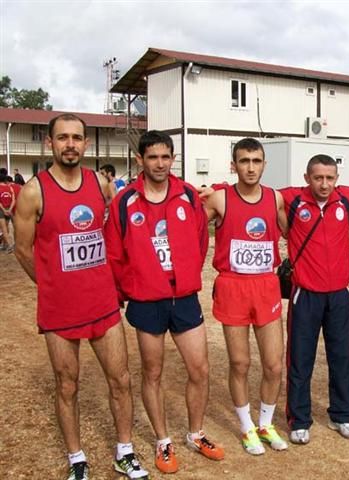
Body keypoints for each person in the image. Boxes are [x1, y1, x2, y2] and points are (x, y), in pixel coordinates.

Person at [13, 113, 149, 480]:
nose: (70, 144)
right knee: (67, 385)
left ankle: (124, 451)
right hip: (60, 309)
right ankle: (77, 459)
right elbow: (22, 249)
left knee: (120, 378)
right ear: (50, 143)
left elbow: (122, 222)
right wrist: (51, 286)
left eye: (76, 137)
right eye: (63, 138)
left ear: (86, 144)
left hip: (102, 302)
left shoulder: (100, 183)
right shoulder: (33, 191)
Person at [104, 131, 223, 474]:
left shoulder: (187, 195)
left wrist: (184, 275)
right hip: (146, 301)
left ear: (173, 158)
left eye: (165, 157)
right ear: (140, 160)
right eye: (152, 157)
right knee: (152, 372)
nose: (160, 163)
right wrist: (131, 288)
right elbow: (115, 254)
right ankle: (162, 440)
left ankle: (196, 433)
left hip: (183, 297)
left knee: (199, 369)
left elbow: (201, 241)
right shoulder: (124, 201)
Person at [203, 138, 290, 456]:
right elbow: (184, 219)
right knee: (240, 362)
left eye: (256, 161)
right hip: (232, 286)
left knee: (273, 364)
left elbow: (294, 229)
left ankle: (266, 423)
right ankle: (246, 426)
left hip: (265, 285)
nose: (250, 167)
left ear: (265, 164)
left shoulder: (276, 198)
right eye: (244, 161)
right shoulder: (220, 199)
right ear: (233, 165)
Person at [281, 155, 349, 445]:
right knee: (300, 358)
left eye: (330, 178)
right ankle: (299, 419)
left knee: (342, 357)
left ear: (336, 178)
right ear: (307, 177)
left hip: (338, 295)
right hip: (305, 294)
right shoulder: (293, 199)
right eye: (318, 178)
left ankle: (343, 415)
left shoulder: (345, 199)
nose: (324, 184)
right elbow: (258, 192)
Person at [0, 174, 17, 251]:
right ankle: (4, 245)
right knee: (6, 228)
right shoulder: (10, 188)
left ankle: (10, 245)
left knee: (4, 229)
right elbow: (13, 200)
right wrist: (9, 209)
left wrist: (4, 210)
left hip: (1, 210)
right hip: (9, 209)